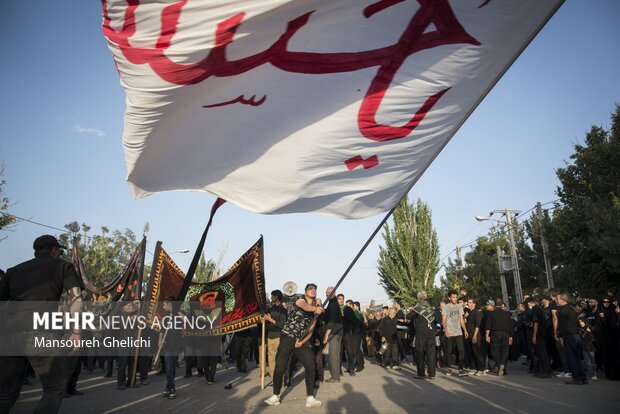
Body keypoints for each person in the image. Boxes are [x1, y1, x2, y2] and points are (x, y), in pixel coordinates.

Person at [0, 235, 83, 414]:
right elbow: (76, 299)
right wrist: (76, 331)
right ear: (53, 250)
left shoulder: (13, 270)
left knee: (6, 393)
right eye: (58, 249)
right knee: (54, 388)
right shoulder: (63, 265)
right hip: (41, 332)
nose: (59, 252)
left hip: (10, 334)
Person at [264, 283, 324, 408]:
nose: (313, 291)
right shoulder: (299, 299)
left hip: (301, 341)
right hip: (288, 336)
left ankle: (310, 397)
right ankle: (275, 395)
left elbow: (311, 330)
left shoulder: (315, 310)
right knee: (280, 366)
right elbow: (304, 306)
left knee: (311, 366)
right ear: (305, 291)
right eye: (310, 289)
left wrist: (302, 341)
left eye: (315, 289)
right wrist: (315, 309)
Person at [556, 293, 587, 385]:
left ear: (563, 300)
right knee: (577, 358)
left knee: (571, 358)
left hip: (569, 336)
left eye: (558, 299)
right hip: (576, 336)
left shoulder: (563, 311)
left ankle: (577, 378)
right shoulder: (572, 309)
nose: (556, 301)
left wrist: (560, 337)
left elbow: (562, 326)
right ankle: (583, 377)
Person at [159, 296, 183, 400]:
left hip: (176, 345)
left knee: (172, 367)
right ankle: (171, 388)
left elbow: (186, 320)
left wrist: (178, 314)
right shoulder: (165, 315)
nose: (163, 307)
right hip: (167, 345)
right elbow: (162, 330)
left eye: (164, 304)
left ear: (170, 304)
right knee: (168, 367)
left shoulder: (178, 313)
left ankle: (169, 387)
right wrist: (160, 340)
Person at [408, 291, 436, 379]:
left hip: (421, 334)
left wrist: (412, 310)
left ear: (419, 298)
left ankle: (421, 374)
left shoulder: (418, 308)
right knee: (431, 354)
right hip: (431, 333)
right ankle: (432, 374)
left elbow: (408, 316)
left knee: (420, 353)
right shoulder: (431, 308)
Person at [261, 290, 287, 380]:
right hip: (270, 336)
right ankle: (273, 378)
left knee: (279, 359)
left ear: (277, 297)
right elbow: (266, 321)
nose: (272, 297)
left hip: (278, 336)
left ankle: (281, 379)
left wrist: (270, 319)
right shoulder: (271, 309)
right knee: (271, 359)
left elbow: (282, 325)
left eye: (273, 296)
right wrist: (264, 320)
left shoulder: (283, 310)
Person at [442, 290, 469, 376]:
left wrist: (465, 330)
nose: (455, 299)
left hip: (458, 332)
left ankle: (461, 369)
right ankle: (449, 369)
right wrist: (446, 330)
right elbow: (443, 319)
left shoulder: (459, 307)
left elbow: (461, 319)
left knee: (461, 350)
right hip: (449, 332)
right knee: (449, 351)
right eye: (453, 297)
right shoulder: (446, 307)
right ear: (449, 298)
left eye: (456, 297)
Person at [485, 298, 513, 377]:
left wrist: (487, 335)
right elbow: (511, 326)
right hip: (506, 333)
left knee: (494, 350)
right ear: (501, 305)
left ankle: (499, 364)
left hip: (495, 333)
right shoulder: (507, 314)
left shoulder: (491, 313)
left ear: (495, 304)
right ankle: (503, 365)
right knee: (505, 350)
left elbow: (488, 325)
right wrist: (511, 336)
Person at [323, 287, 343, 383]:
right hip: (337, 332)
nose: (327, 294)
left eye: (330, 292)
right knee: (335, 355)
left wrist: (326, 335)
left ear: (335, 293)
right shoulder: (332, 303)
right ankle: (337, 374)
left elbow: (332, 321)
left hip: (334, 332)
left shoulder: (333, 304)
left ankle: (335, 377)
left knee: (333, 355)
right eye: (327, 292)